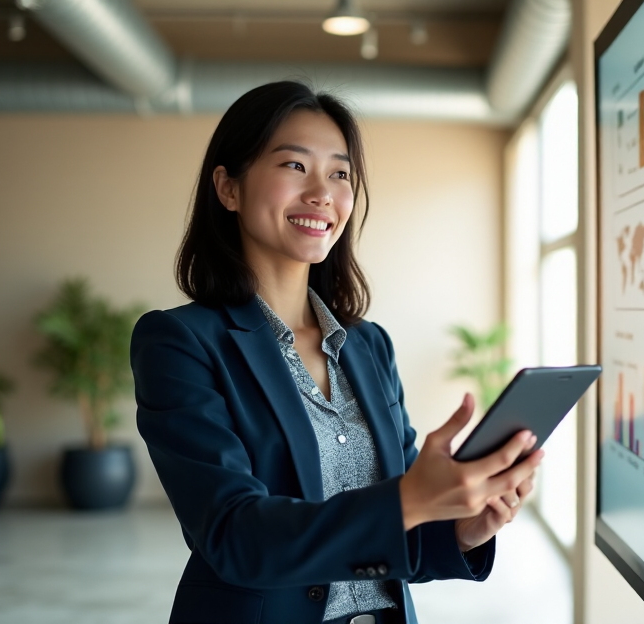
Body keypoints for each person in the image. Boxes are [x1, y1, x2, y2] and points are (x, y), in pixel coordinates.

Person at [130, 81, 543, 624]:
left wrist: (462, 530)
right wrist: (409, 501)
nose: (323, 192)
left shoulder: (368, 346)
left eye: (340, 173)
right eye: (295, 167)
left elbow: (395, 541)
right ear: (228, 188)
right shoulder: (179, 343)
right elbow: (234, 536)